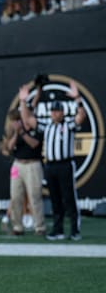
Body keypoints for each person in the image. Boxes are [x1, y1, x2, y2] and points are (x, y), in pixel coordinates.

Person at [19, 80, 86, 241]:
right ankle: (58, 230)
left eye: (57, 111)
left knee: (69, 197)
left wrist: (77, 99)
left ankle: (75, 230)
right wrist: (23, 101)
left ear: (62, 112)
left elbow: (81, 117)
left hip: (65, 164)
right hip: (50, 165)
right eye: (52, 111)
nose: (54, 113)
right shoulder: (47, 125)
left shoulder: (68, 124)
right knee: (55, 199)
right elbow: (28, 119)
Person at [1, 108, 46, 236]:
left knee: (34, 196)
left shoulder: (36, 128)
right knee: (15, 196)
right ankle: (18, 226)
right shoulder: (12, 131)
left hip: (33, 164)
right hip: (17, 165)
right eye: (13, 121)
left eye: (17, 120)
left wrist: (22, 132)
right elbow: (9, 148)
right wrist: (16, 133)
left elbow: (34, 144)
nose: (15, 123)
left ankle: (39, 227)